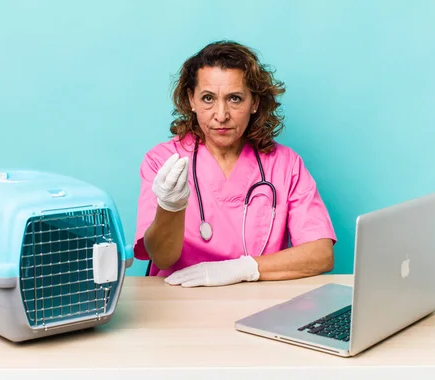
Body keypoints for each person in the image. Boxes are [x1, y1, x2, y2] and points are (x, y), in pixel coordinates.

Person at [132, 40, 337, 287]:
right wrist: (170, 206)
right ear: (191, 100)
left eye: (235, 99)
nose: (221, 115)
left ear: (255, 103)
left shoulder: (285, 165)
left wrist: (244, 268)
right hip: (179, 301)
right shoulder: (163, 162)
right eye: (208, 98)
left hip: (258, 303)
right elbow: (162, 258)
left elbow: (321, 254)